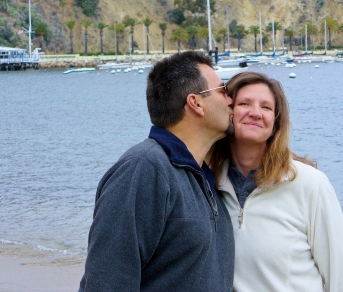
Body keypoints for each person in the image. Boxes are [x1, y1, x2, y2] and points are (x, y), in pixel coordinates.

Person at [79, 51, 235, 292]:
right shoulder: (144, 169)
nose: (231, 100)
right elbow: (107, 281)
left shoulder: (204, 178)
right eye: (223, 90)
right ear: (196, 103)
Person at [209, 72, 343, 292]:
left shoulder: (310, 184)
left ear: (276, 122)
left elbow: (342, 278)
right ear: (228, 112)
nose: (256, 113)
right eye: (244, 103)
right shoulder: (208, 183)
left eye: (267, 107)